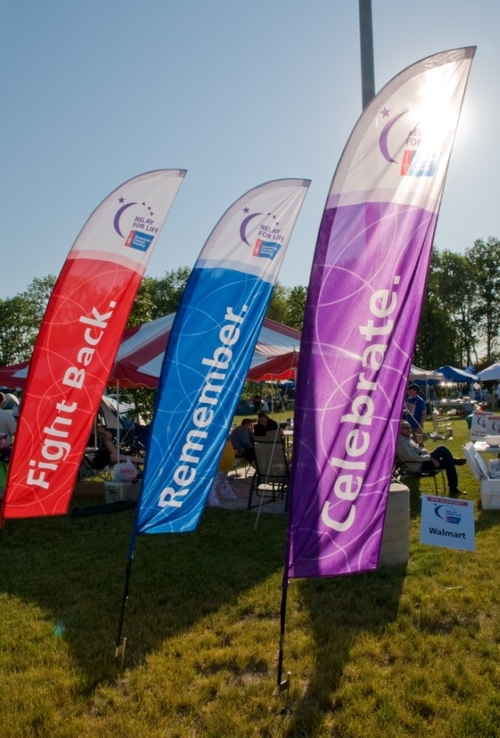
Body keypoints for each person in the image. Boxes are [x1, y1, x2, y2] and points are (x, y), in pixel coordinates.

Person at [396, 419, 467, 497]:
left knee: (447, 458)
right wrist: (431, 458)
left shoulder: (407, 439)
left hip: (422, 462)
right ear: (399, 429)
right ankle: (453, 488)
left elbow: (424, 452)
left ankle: (453, 487)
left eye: (409, 427)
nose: (409, 429)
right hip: (418, 466)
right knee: (444, 452)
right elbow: (414, 457)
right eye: (405, 428)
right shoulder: (401, 441)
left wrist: (421, 444)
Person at [208, 439, 238, 507]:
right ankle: (229, 495)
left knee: (211, 484)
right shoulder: (227, 438)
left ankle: (214, 502)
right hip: (228, 463)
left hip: (220, 464)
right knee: (222, 480)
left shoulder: (217, 438)